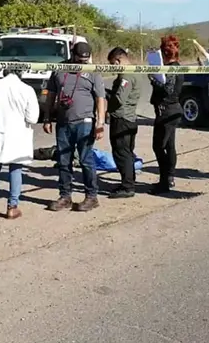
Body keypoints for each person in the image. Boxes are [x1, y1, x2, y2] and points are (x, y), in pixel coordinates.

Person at [43, 41, 106, 212]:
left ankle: (91, 197)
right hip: (63, 123)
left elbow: (101, 99)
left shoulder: (93, 72)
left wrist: (100, 124)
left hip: (85, 122)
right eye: (79, 59)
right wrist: (47, 118)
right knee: (64, 161)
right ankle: (65, 197)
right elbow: (51, 96)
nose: (82, 63)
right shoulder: (59, 69)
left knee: (86, 160)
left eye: (85, 60)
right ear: (72, 54)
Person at [0, 68, 40, 218]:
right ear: (21, 74)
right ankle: (12, 206)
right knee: (15, 169)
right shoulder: (27, 89)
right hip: (18, 134)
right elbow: (33, 118)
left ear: (4, 72)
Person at [149, 35, 186, 194]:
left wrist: (153, 79)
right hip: (173, 109)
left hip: (167, 111)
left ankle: (164, 181)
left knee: (159, 146)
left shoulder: (170, 69)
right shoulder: (177, 66)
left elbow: (167, 90)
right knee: (169, 146)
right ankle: (169, 177)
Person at [106, 47, 143, 198]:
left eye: (113, 64)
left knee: (122, 153)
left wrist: (105, 94)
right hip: (130, 118)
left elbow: (119, 99)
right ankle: (128, 182)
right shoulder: (135, 71)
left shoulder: (126, 75)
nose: (113, 68)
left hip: (122, 119)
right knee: (127, 153)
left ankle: (128, 187)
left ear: (118, 60)